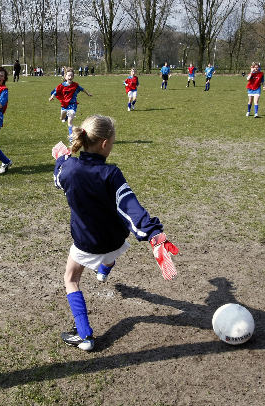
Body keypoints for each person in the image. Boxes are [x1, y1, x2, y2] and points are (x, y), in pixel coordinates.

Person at [51, 114, 179, 351]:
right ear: (104, 144)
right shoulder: (112, 174)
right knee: (111, 249)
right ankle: (103, 271)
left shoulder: (68, 169)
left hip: (86, 243)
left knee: (71, 279)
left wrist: (60, 158)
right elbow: (130, 206)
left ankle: (85, 336)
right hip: (115, 240)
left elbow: (58, 179)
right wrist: (154, 236)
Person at [49, 67, 92, 141]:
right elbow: (55, 91)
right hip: (64, 105)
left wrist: (88, 93)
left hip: (72, 105)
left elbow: (82, 89)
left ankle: (71, 137)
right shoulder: (61, 85)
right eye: (68, 75)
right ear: (65, 77)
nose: (70, 77)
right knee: (62, 118)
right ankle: (64, 117)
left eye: (72, 76)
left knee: (70, 120)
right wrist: (51, 97)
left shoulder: (75, 85)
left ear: (73, 77)